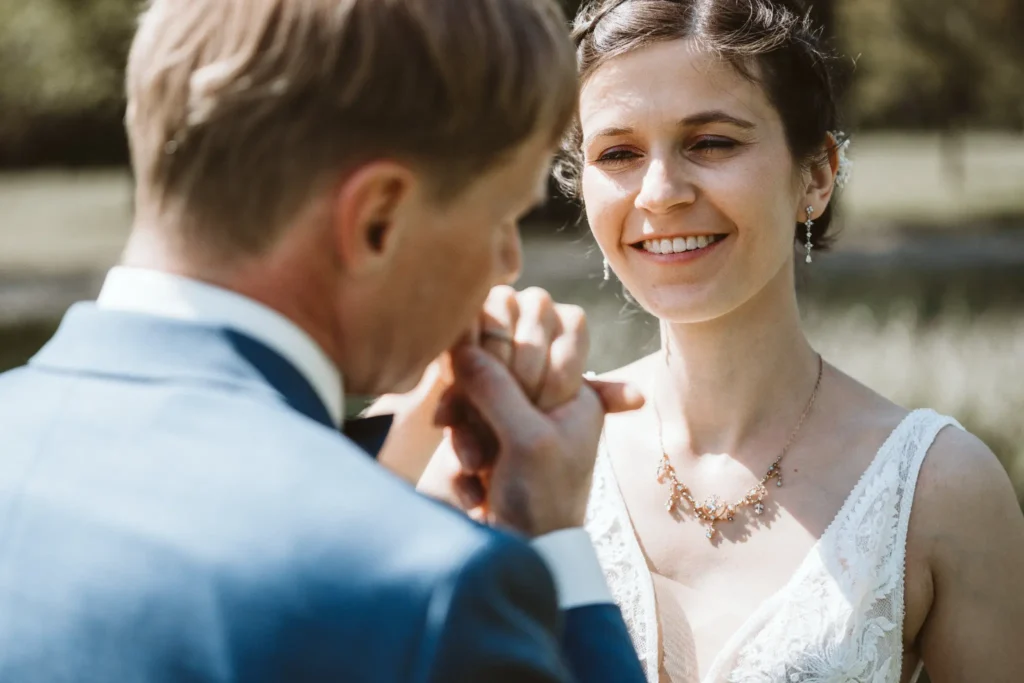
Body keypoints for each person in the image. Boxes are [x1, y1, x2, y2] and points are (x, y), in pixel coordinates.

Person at [0, 1, 650, 681]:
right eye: (504, 215)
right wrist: (550, 537)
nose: (508, 262)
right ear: (378, 218)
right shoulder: (427, 590)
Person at [406, 1, 1024, 681]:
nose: (662, 192)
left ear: (816, 176)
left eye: (712, 143)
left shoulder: (942, 487)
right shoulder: (516, 449)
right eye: (618, 153)